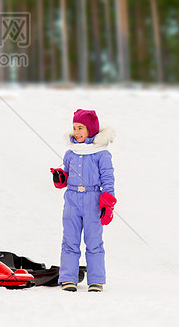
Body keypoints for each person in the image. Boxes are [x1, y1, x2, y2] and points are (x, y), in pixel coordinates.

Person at [51, 109, 116, 293]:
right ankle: (68, 278)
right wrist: (60, 177)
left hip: (92, 200)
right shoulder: (71, 152)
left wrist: (107, 201)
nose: (76, 132)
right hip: (72, 200)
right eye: (74, 128)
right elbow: (66, 172)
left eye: (81, 128)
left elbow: (108, 178)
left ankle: (96, 280)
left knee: (93, 240)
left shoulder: (101, 154)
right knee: (70, 240)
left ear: (91, 130)